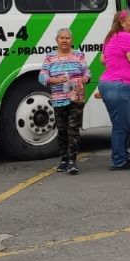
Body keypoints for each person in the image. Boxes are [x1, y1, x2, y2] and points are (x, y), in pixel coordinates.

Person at [38, 28, 90, 175]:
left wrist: (86, 77)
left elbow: (87, 71)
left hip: (76, 98)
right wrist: (54, 80)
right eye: (61, 38)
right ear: (57, 40)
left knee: (73, 129)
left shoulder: (79, 55)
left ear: (71, 40)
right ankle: (64, 159)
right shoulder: (50, 57)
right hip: (58, 99)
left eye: (67, 38)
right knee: (62, 130)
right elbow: (42, 77)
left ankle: (73, 161)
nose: (64, 41)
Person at [99, 10, 130, 171]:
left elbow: (102, 59)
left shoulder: (110, 37)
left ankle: (123, 156)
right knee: (122, 125)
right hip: (120, 85)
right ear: (121, 22)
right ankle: (118, 160)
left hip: (115, 85)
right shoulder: (125, 37)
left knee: (129, 123)